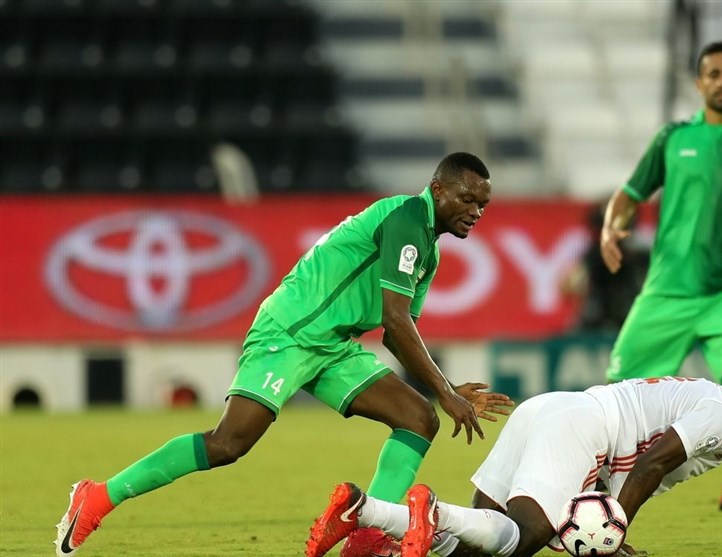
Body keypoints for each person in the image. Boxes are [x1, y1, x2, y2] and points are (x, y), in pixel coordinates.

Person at [54, 152, 514, 556]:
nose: (475, 212)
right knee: (228, 444)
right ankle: (97, 496)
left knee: (418, 418)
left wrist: (444, 391)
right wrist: (446, 391)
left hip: (333, 345)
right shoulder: (407, 219)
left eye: (483, 205)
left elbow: (397, 334)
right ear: (437, 189)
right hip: (289, 333)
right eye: (467, 199)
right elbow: (395, 320)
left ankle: (369, 537)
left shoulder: (428, 250)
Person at [600, 41, 722, 510]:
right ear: (700, 82)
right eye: (714, 74)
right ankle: (593, 484)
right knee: (614, 390)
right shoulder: (673, 137)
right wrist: (611, 226)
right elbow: (630, 192)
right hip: (667, 290)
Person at [306, 376, 722, 557]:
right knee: (522, 540)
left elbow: (638, 467)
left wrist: (607, 524)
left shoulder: (720, 407)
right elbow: (651, 464)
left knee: (478, 548)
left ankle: (362, 510)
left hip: (550, 409)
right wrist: (611, 534)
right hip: (584, 425)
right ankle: (432, 511)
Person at [560, 203, 649, 332]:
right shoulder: (594, 256)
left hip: (630, 321)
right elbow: (568, 287)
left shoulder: (639, 257)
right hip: (595, 323)